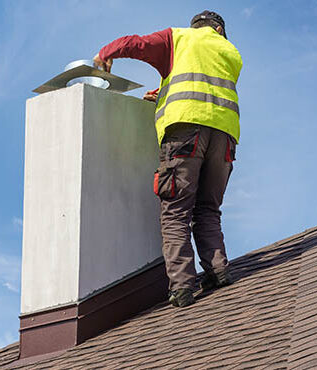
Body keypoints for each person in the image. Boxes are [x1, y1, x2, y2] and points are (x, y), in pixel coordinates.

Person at [93, 10, 242, 308]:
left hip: (185, 133)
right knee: (208, 208)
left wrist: (104, 53)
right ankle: (218, 271)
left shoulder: (179, 38)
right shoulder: (230, 52)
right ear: (218, 29)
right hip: (224, 137)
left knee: (175, 211)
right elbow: (203, 86)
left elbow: (136, 44)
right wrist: (162, 92)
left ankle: (183, 287)